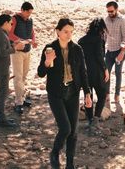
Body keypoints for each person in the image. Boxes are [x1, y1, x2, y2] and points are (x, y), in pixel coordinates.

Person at [37, 18, 92, 169]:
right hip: (56, 93)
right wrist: (47, 62)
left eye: (71, 32)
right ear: (58, 31)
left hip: (73, 92)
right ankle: (54, 153)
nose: (69, 35)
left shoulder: (77, 49)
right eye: (66, 31)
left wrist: (87, 93)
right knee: (65, 128)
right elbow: (41, 73)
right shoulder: (50, 48)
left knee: (73, 132)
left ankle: (70, 164)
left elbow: (83, 72)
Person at [0, 14, 25, 127]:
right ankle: (1, 118)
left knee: (3, 93)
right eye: (10, 23)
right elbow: (3, 52)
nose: (11, 26)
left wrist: (12, 45)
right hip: (1, 68)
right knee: (3, 94)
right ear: (5, 23)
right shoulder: (0, 34)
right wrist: (15, 48)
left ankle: (1, 117)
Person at [78, 18, 109, 131]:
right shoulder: (99, 40)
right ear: (101, 29)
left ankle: (90, 119)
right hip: (97, 72)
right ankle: (96, 119)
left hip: (84, 72)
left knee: (88, 95)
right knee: (102, 94)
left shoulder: (81, 40)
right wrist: (105, 69)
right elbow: (100, 57)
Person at [8, 1, 38, 114]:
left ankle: (22, 97)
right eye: (27, 12)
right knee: (18, 76)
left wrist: (33, 41)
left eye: (30, 13)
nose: (29, 15)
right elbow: (10, 33)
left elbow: (32, 32)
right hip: (17, 51)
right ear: (22, 10)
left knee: (24, 75)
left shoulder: (30, 20)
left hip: (27, 51)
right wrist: (22, 41)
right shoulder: (14, 19)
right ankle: (18, 102)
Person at [104, 1, 125, 103]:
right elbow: (105, 36)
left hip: (119, 51)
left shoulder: (122, 20)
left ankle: (117, 95)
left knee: (118, 74)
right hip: (109, 51)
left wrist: (122, 53)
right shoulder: (106, 20)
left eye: (111, 11)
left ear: (116, 9)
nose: (109, 13)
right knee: (106, 74)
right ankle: (107, 94)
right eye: (108, 11)